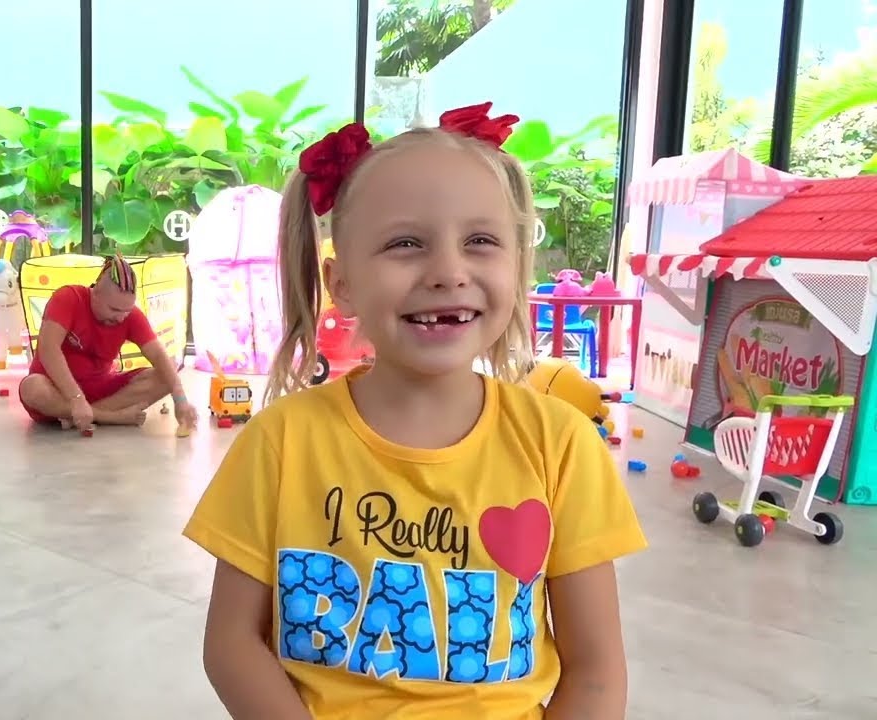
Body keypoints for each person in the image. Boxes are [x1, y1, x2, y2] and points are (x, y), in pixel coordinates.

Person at [182, 102, 647, 720]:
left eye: (480, 241)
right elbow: (232, 644)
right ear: (341, 280)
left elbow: (596, 670)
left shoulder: (560, 443)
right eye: (406, 244)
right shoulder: (280, 441)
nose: (449, 272)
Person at [18, 254, 199, 432]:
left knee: (166, 374)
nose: (120, 317)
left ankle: (82, 416)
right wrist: (75, 398)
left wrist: (180, 400)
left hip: (100, 390)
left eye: (126, 310)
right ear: (95, 293)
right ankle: (110, 417)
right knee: (31, 387)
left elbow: (158, 355)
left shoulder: (131, 316)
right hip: (56, 392)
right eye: (114, 309)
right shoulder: (68, 297)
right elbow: (48, 349)